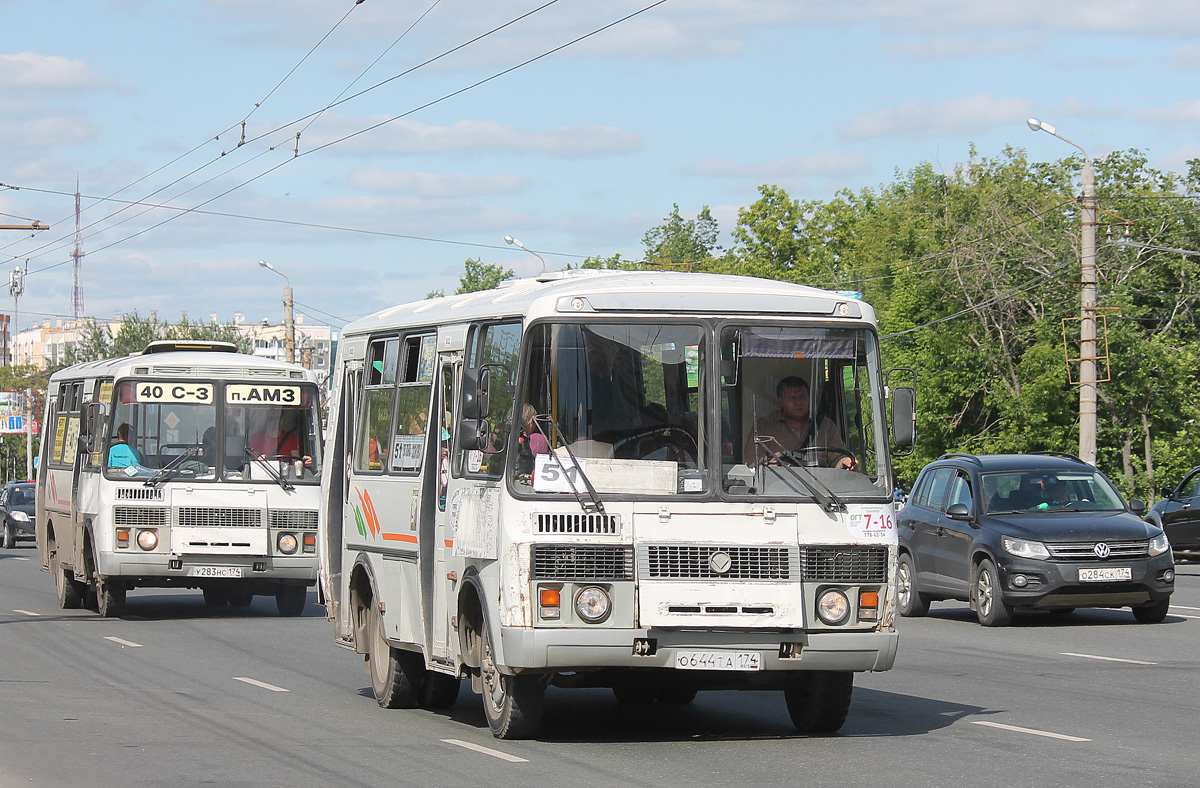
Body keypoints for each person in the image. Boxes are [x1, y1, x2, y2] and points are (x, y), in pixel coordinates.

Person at [743, 376, 857, 470]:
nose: (798, 402)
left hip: (821, 490)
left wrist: (845, 462)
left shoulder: (825, 425)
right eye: (792, 398)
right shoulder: (764, 426)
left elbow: (837, 458)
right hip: (777, 492)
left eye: (803, 397)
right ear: (780, 401)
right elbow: (753, 465)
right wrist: (776, 464)